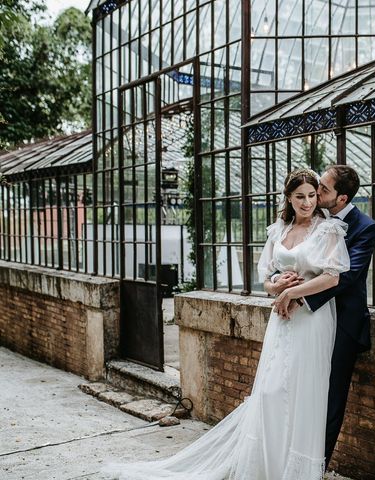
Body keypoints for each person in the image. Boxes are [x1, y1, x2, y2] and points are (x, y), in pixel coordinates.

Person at [102, 168, 350, 479]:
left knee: (304, 392)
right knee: (271, 391)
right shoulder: (279, 230)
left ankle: (295, 470)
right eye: (300, 196)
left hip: (311, 321)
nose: (307, 202)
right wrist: (278, 287)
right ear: (288, 197)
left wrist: (293, 293)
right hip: (283, 321)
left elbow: (333, 276)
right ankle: (267, 464)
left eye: (312, 196)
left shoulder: (328, 230)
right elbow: (265, 278)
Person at [273, 165, 375, 469]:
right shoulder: (313, 220)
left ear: (341, 198)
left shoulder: (365, 227)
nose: (316, 193)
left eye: (323, 189)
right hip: (307, 321)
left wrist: (298, 295)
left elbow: (346, 276)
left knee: (330, 400)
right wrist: (284, 283)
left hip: (343, 324)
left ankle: (314, 469)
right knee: (296, 391)